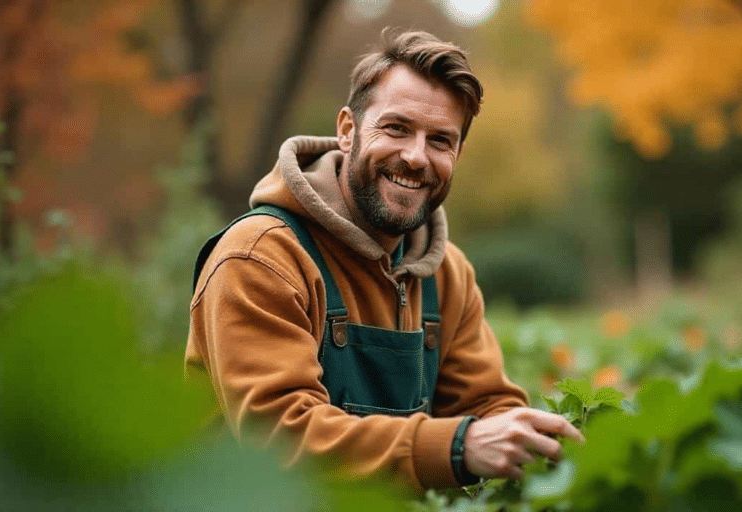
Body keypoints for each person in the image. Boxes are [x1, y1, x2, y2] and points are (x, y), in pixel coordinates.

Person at [185, 29, 582, 491]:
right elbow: (278, 443)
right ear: (348, 131)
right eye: (396, 128)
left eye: (440, 140)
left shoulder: (446, 273)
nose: (416, 157)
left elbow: (490, 406)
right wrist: (458, 446)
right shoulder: (261, 257)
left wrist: (542, 446)